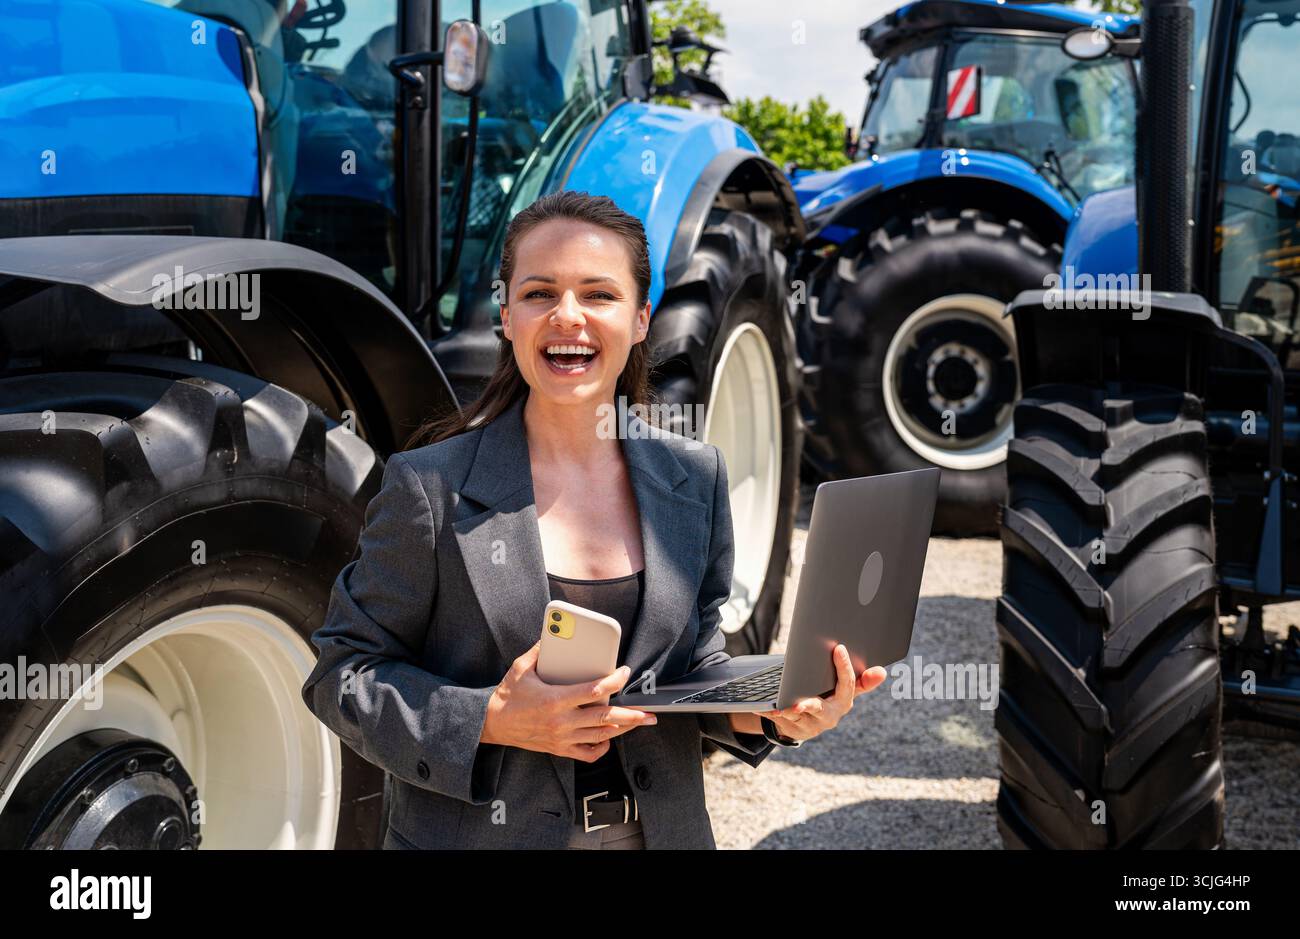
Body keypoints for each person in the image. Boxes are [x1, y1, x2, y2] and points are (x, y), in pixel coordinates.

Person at [301, 190, 887, 849]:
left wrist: (772, 712)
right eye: (540, 293)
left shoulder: (695, 476)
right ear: (506, 314)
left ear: (641, 318)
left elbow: (692, 667)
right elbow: (341, 676)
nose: (568, 316)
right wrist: (488, 718)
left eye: (599, 294)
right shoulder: (428, 486)